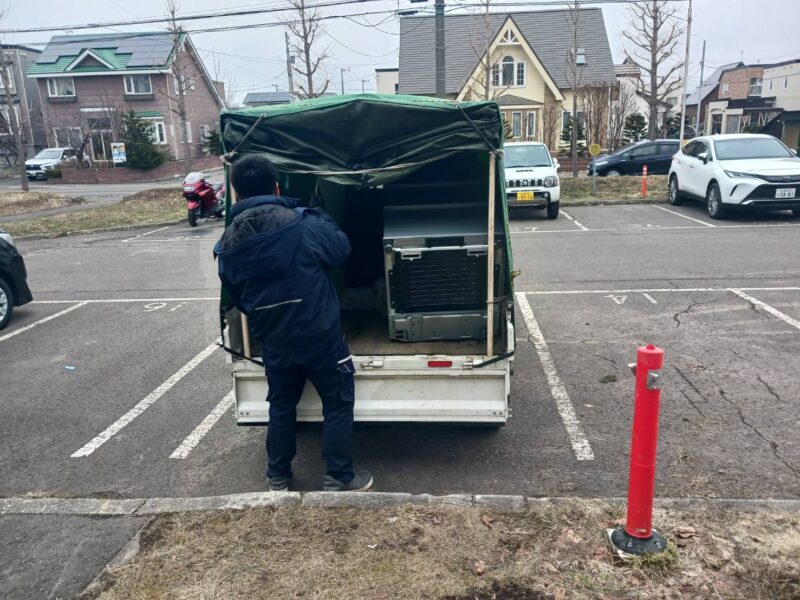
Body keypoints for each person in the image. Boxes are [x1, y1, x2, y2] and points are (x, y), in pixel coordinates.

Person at [214, 154, 372, 493]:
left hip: (275, 339)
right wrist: (323, 215)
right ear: (276, 187)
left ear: (236, 193)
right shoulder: (306, 224)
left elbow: (236, 294)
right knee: (337, 402)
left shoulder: (228, 242)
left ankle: (278, 476)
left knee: (282, 405)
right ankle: (339, 476)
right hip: (320, 336)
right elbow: (340, 250)